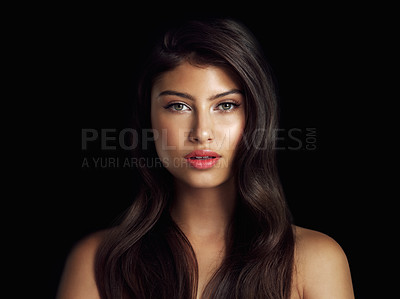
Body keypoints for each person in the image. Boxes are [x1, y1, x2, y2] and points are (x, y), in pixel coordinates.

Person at [56, 18, 354, 299]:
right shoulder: (95, 262)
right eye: (178, 106)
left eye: (225, 105)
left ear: (256, 116)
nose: (201, 133)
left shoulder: (316, 261)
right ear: (148, 119)